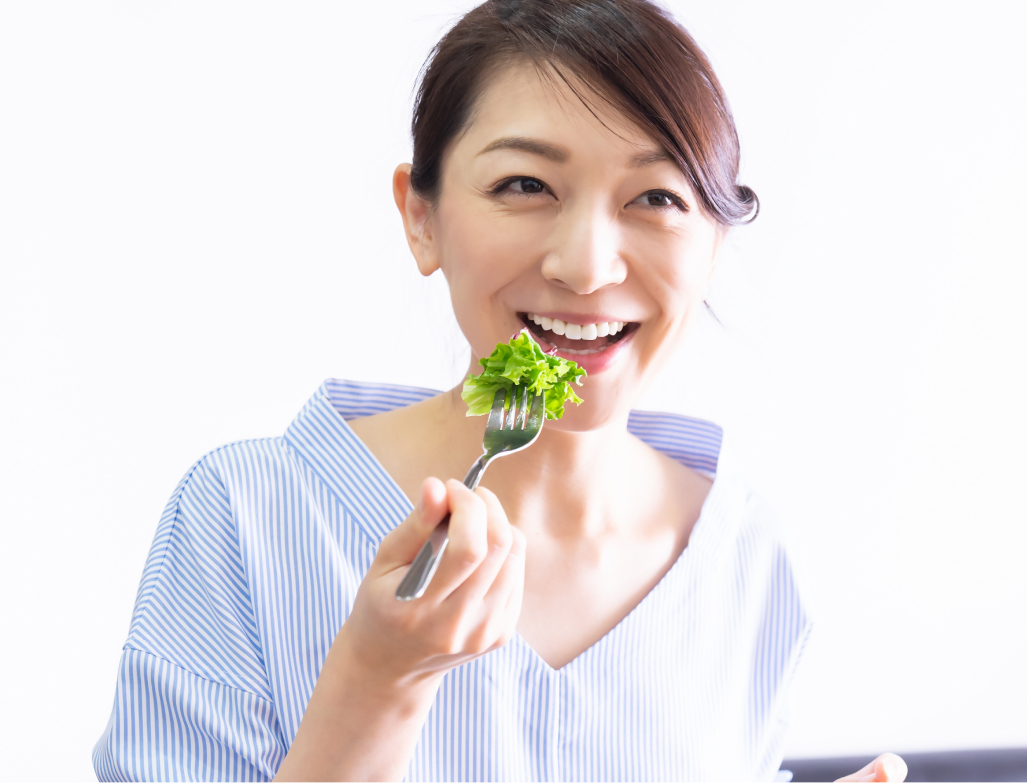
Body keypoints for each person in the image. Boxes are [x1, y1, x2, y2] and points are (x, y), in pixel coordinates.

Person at [93, 1, 906, 780]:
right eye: (525, 185)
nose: (586, 265)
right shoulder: (242, 519)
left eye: (656, 197)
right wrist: (377, 680)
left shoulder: (746, 558)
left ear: (715, 245)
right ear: (422, 217)